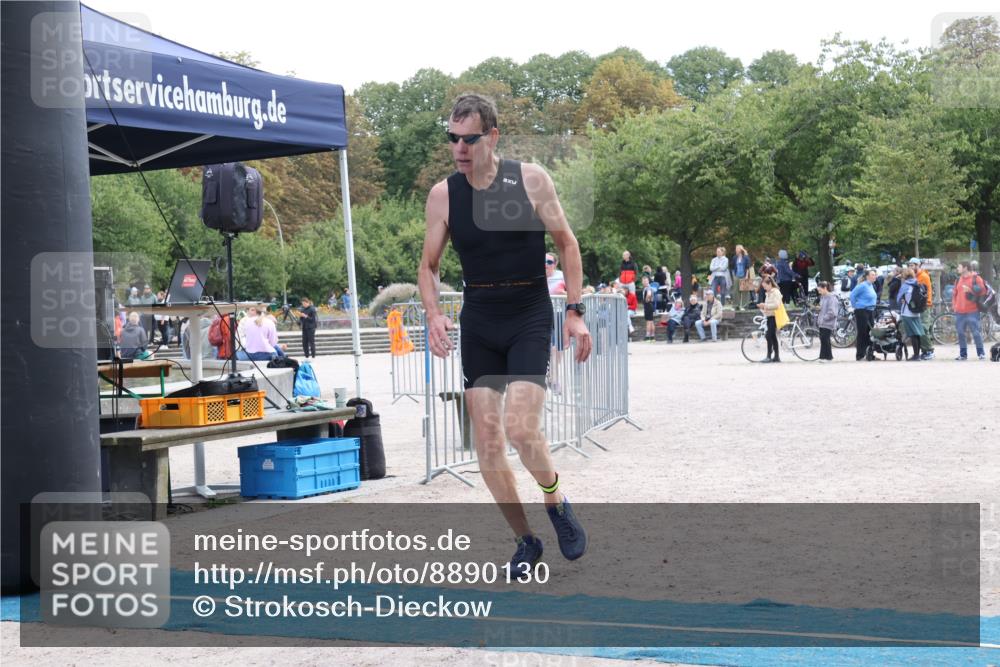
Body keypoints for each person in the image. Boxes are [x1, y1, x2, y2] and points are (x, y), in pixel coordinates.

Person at [418, 93, 591, 571]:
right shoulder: (443, 195)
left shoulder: (531, 180)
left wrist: (574, 311)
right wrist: (434, 313)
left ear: (492, 136)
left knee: (519, 426)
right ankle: (526, 541)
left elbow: (568, 244)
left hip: (529, 312)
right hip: (480, 319)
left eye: (469, 139)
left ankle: (555, 501)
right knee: (488, 440)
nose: (459, 148)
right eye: (452, 138)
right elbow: (428, 266)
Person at [952, 260, 987, 361]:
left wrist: (970, 290)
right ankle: (963, 355)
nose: (957, 269)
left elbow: (983, 292)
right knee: (960, 333)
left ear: (965, 268)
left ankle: (981, 353)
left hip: (973, 310)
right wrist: (954, 305)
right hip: (959, 311)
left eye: (959, 267)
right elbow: (955, 294)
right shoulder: (958, 279)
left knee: (975, 332)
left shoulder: (976, 278)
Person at [896, 267, 925, 361]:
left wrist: (902, 300)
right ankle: (918, 354)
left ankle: (916, 356)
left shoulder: (905, 286)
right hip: (917, 312)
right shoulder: (918, 283)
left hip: (907, 313)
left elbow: (898, 299)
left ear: (904, 276)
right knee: (917, 334)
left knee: (912, 334)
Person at [850, 268, 878, 361]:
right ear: (867, 276)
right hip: (862, 310)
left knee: (870, 333)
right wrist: (855, 306)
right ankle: (860, 355)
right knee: (862, 332)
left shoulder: (871, 285)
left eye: (875, 274)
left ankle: (869, 354)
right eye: (873, 274)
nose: (875, 276)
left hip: (870, 311)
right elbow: (852, 295)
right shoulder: (862, 285)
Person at [910, 258, 935, 360]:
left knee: (923, 328)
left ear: (917, 265)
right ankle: (924, 350)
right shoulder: (916, 276)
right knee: (919, 328)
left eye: (912, 265)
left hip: (925, 305)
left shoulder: (923, 277)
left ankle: (929, 350)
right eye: (909, 265)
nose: (910, 267)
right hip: (919, 306)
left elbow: (920, 292)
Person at [757, 276, 782, 362]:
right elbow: (769, 305)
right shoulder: (768, 293)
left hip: (775, 316)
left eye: (765, 286)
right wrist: (763, 307)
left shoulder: (775, 292)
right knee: (772, 336)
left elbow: (777, 305)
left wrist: (765, 306)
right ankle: (776, 357)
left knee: (768, 336)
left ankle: (769, 356)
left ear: (770, 284)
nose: (764, 288)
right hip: (769, 316)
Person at [816, 281, 837, 362]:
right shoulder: (823, 297)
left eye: (820, 290)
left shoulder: (832, 297)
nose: (819, 292)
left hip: (828, 322)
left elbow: (832, 312)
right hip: (822, 322)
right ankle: (824, 356)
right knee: (823, 339)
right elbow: (823, 308)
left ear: (825, 288)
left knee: (825, 339)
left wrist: (824, 318)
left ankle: (827, 357)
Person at [731, 245, 752, 309]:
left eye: (737, 249)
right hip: (737, 275)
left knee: (745, 291)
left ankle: (744, 305)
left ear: (741, 249)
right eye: (736, 249)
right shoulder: (735, 257)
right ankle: (736, 305)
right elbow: (732, 266)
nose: (736, 250)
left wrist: (746, 276)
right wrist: (733, 275)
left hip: (744, 275)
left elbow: (748, 267)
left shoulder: (746, 257)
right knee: (735, 291)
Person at [641, 276, 656, 341]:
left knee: (648, 322)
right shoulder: (647, 288)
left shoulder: (648, 288)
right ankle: (652, 337)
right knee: (651, 321)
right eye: (643, 281)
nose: (644, 282)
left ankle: (647, 337)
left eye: (645, 281)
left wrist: (647, 299)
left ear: (648, 281)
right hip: (650, 305)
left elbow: (649, 294)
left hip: (648, 306)